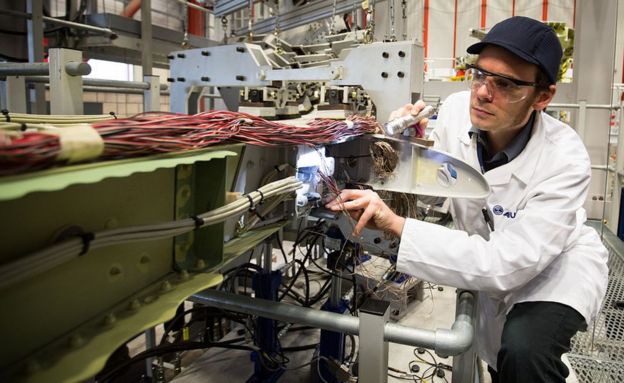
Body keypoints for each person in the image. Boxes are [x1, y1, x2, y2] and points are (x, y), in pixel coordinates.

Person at [326, 16, 609, 383]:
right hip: (490, 259)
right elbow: (439, 183)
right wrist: (411, 147)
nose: (482, 93)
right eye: (479, 74)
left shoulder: (565, 158)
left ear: (543, 96)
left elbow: (506, 262)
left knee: (525, 352)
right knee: (497, 357)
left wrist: (397, 226)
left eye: (504, 84)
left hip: (555, 269)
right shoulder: (458, 111)